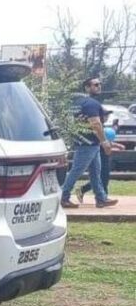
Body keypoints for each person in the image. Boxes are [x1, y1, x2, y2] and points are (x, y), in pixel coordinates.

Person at [61, 78, 118, 209]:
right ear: (86, 88)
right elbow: (96, 123)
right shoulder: (91, 103)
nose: (99, 87)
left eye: (100, 84)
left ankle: (101, 198)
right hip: (89, 143)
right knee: (76, 171)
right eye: (96, 85)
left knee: (95, 172)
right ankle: (63, 197)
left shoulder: (77, 103)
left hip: (85, 141)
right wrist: (105, 142)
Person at [78, 126, 123, 202]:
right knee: (103, 179)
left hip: (105, 161)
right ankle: (103, 197)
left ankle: (83, 189)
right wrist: (115, 149)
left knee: (101, 179)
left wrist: (117, 146)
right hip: (101, 162)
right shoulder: (101, 142)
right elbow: (107, 150)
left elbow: (109, 143)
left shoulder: (103, 138)